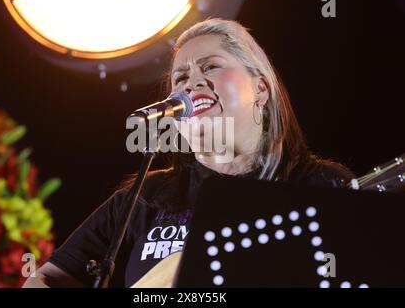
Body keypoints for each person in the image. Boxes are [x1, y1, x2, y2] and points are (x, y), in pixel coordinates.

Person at [22, 18, 355, 288]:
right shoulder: (144, 197)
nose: (191, 83)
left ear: (260, 88)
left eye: (210, 67)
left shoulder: (321, 184)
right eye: (180, 77)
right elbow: (45, 280)